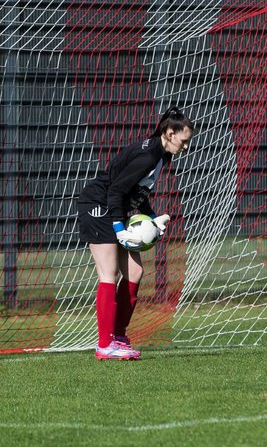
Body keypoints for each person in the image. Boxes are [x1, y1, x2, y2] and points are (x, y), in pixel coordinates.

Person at [75, 107, 196, 360]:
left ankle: (118, 336)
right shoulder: (149, 156)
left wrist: (152, 218)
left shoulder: (162, 154)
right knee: (108, 273)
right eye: (184, 141)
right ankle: (105, 344)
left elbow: (135, 192)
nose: (186, 147)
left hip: (114, 206)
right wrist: (119, 228)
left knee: (136, 271)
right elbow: (116, 191)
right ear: (170, 133)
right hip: (99, 205)